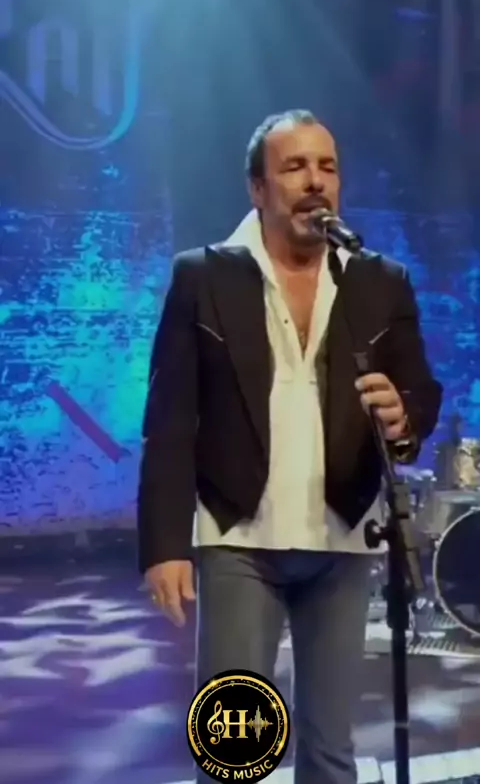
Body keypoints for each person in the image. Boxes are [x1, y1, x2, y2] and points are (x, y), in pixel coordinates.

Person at [137, 110, 442, 784]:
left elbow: (419, 391)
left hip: (343, 535)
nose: (315, 182)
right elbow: (170, 419)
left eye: (327, 167)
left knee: (331, 751)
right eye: (295, 167)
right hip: (239, 535)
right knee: (234, 749)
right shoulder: (204, 277)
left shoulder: (378, 280)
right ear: (257, 188)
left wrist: (404, 419)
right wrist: (164, 544)